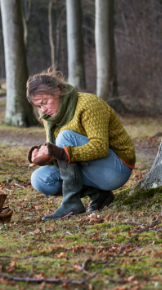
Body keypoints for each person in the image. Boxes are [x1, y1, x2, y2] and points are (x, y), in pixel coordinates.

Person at [26, 70, 135, 221]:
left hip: (116, 169)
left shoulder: (88, 104)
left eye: (45, 102)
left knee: (65, 136)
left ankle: (71, 204)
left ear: (57, 90)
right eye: (39, 106)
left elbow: (100, 147)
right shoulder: (49, 118)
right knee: (39, 179)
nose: (43, 110)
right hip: (91, 170)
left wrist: (58, 151)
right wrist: (45, 156)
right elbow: (64, 159)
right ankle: (99, 195)